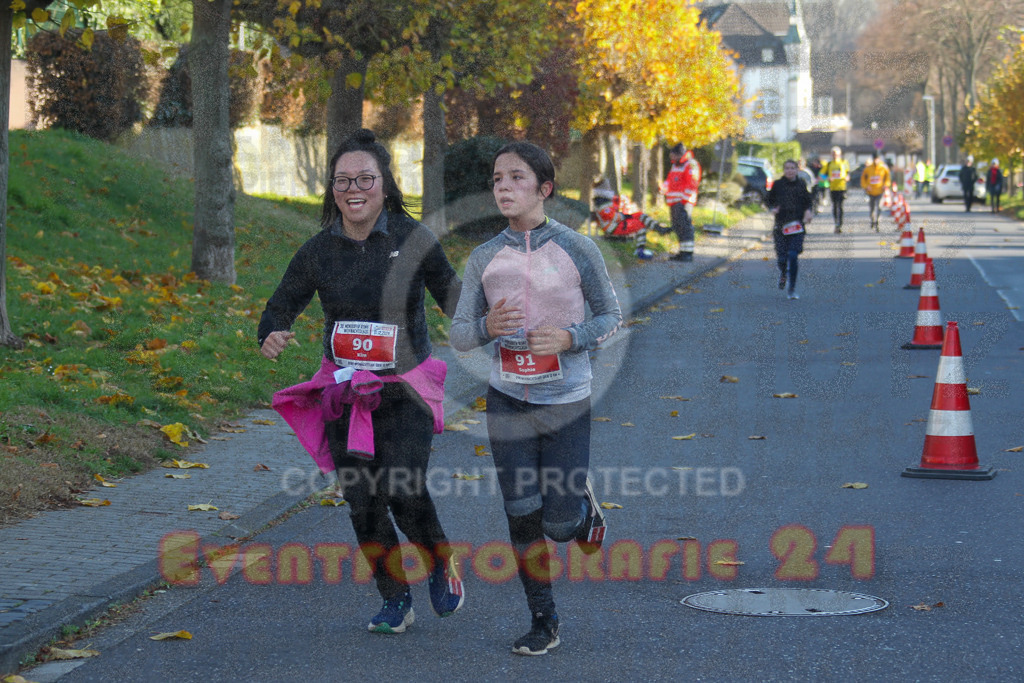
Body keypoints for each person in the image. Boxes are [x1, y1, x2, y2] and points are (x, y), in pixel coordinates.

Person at [258, 129, 465, 634]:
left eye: (365, 179)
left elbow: (455, 299)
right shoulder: (319, 250)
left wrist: (491, 326)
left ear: (385, 184)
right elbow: (282, 302)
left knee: (402, 487)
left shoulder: (413, 239)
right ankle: (395, 598)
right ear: (333, 189)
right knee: (363, 501)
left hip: (405, 388)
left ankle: (439, 559)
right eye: (343, 180)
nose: (354, 189)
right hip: (344, 393)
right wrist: (271, 331)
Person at [450, 141, 622, 656]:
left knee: (559, 525)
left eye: (517, 178)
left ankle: (580, 509)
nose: (503, 187)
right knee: (521, 512)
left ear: (544, 189)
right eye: (498, 178)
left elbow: (611, 317)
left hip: (566, 397)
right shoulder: (484, 257)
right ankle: (543, 620)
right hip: (508, 401)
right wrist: (485, 326)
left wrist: (571, 338)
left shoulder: (577, 248)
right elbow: (459, 334)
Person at [767, 159, 814, 300]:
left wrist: (808, 212)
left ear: (797, 170)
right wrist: (773, 208)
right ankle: (783, 273)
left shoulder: (801, 184)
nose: (790, 171)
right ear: (784, 170)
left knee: (793, 255)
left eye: (792, 168)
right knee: (782, 258)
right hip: (781, 226)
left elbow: (808, 201)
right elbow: (768, 199)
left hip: (797, 226)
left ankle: (792, 288)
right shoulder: (778, 185)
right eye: (787, 168)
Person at [591, 177, 667, 259]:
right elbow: (610, 216)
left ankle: (658, 229)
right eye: (607, 186)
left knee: (639, 215)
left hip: (614, 224)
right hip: (612, 227)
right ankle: (641, 249)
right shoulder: (601, 201)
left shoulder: (604, 199)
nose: (609, 188)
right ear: (604, 188)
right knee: (640, 225)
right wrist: (625, 216)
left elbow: (612, 213)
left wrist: (624, 213)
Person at [663, 142, 701, 261]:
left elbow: (692, 184)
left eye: (673, 156)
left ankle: (688, 253)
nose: (671, 159)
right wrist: (663, 188)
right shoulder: (676, 165)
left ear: (678, 155)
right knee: (678, 227)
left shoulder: (690, 165)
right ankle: (683, 251)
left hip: (684, 202)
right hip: (675, 202)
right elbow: (670, 180)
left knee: (685, 226)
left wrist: (684, 200)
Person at [860, 151, 891, 232]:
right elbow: (863, 179)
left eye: (877, 159)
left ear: (879, 159)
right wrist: (866, 187)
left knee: (880, 207)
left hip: (880, 191)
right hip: (871, 192)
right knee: (872, 208)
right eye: (874, 159)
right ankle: (873, 220)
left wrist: (886, 185)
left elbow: (887, 178)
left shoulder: (883, 168)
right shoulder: (868, 169)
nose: (875, 161)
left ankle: (877, 222)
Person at [823, 146, 849, 232]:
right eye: (833, 154)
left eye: (837, 154)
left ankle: (840, 223)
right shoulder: (829, 164)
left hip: (842, 187)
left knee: (840, 206)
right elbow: (822, 175)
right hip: (833, 188)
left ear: (840, 155)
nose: (835, 156)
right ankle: (836, 223)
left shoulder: (844, 162)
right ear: (831, 155)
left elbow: (848, 173)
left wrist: (847, 177)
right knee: (834, 206)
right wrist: (827, 178)